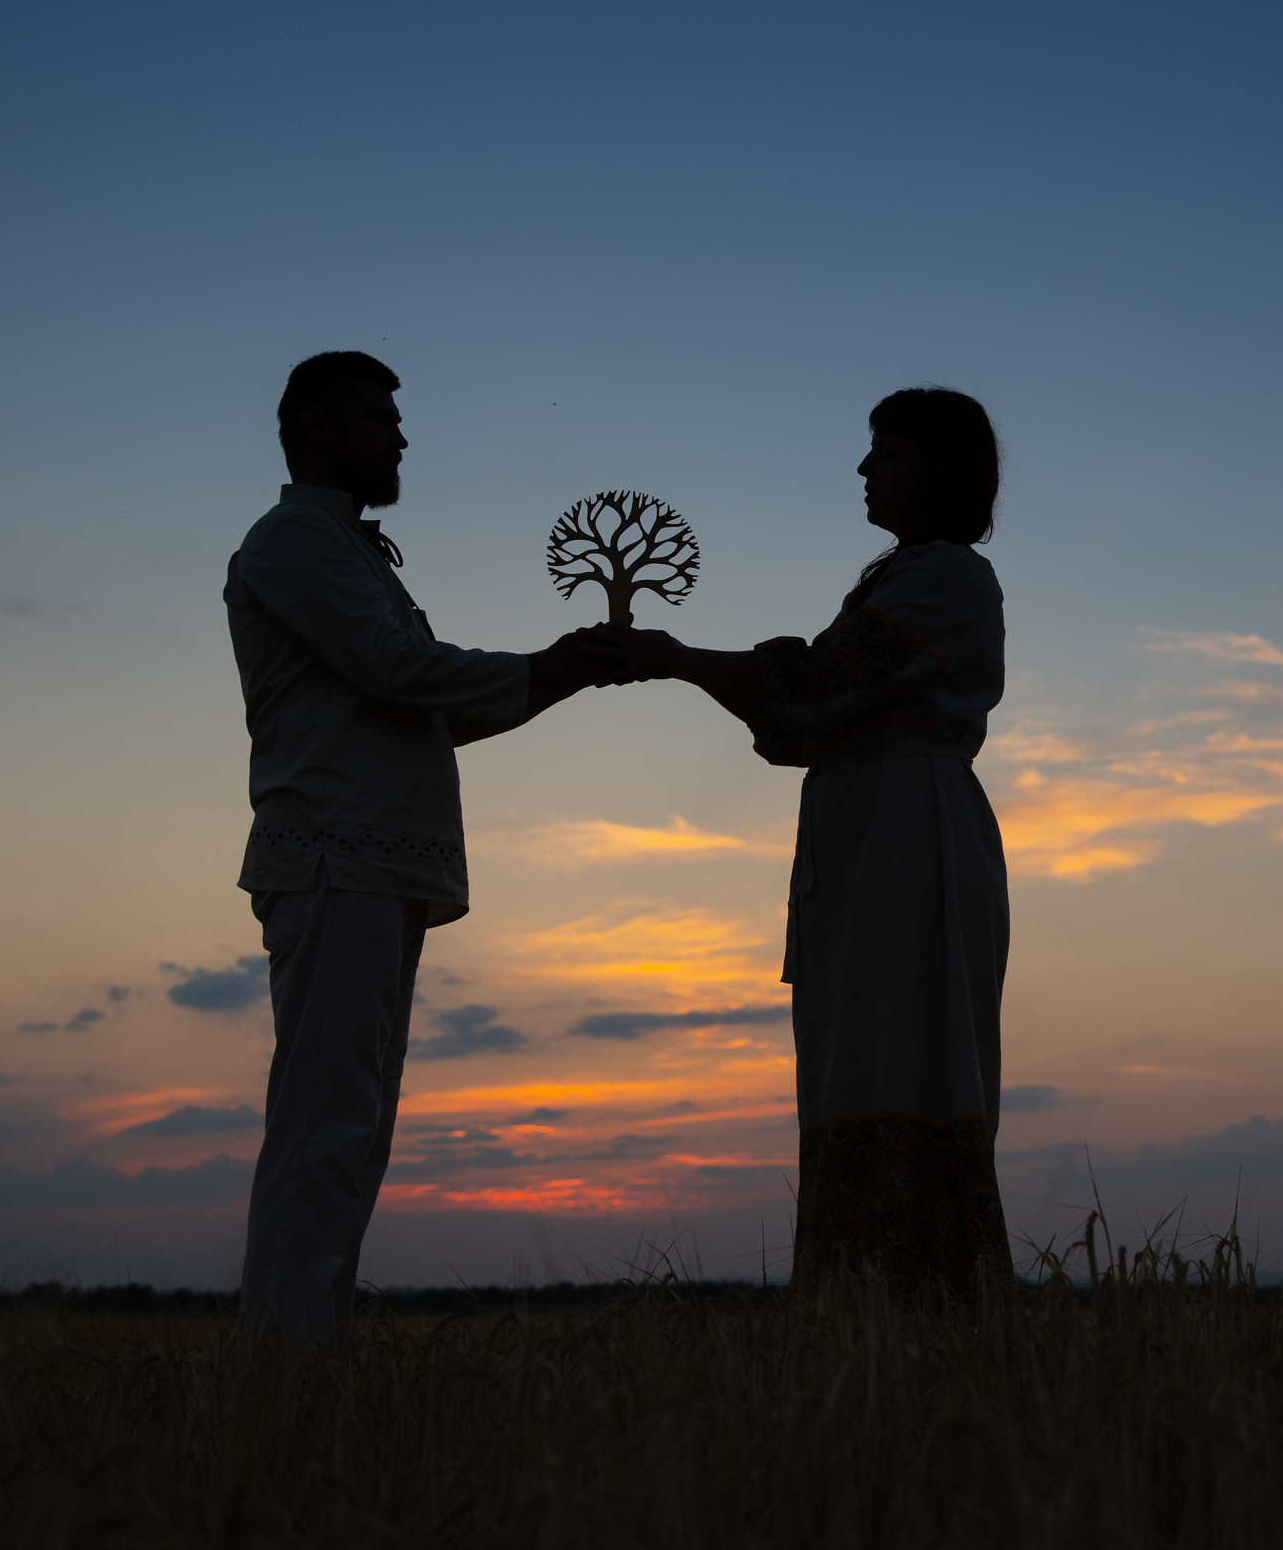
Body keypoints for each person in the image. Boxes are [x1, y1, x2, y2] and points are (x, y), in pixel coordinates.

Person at [225, 350, 615, 1342]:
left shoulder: (350, 556)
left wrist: (558, 677)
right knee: (326, 1128)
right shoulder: (291, 547)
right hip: (333, 864)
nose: (400, 437)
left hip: (376, 866)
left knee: (353, 1131)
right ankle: (283, 1361)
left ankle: (306, 1353)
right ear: (315, 426)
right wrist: (550, 665)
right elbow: (399, 669)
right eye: (377, 416)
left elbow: (421, 706)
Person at [599, 387, 1014, 1296]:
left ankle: (921, 1308)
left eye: (887, 453)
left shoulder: (948, 576)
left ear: (942, 470)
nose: (865, 470)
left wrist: (674, 658)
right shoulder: (896, 579)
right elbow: (798, 721)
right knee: (854, 1068)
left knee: (908, 1065)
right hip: (869, 836)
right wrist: (683, 663)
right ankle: (866, 1314)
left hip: (913, 844)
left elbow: (817, 686)